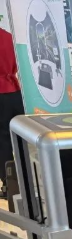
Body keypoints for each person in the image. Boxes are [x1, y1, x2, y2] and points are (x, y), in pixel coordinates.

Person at [0, 27, 23, 199]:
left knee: (3, 142)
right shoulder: (10, 36)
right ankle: (28, 182)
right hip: (16, 93)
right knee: (21, 139)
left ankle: (9, 186)